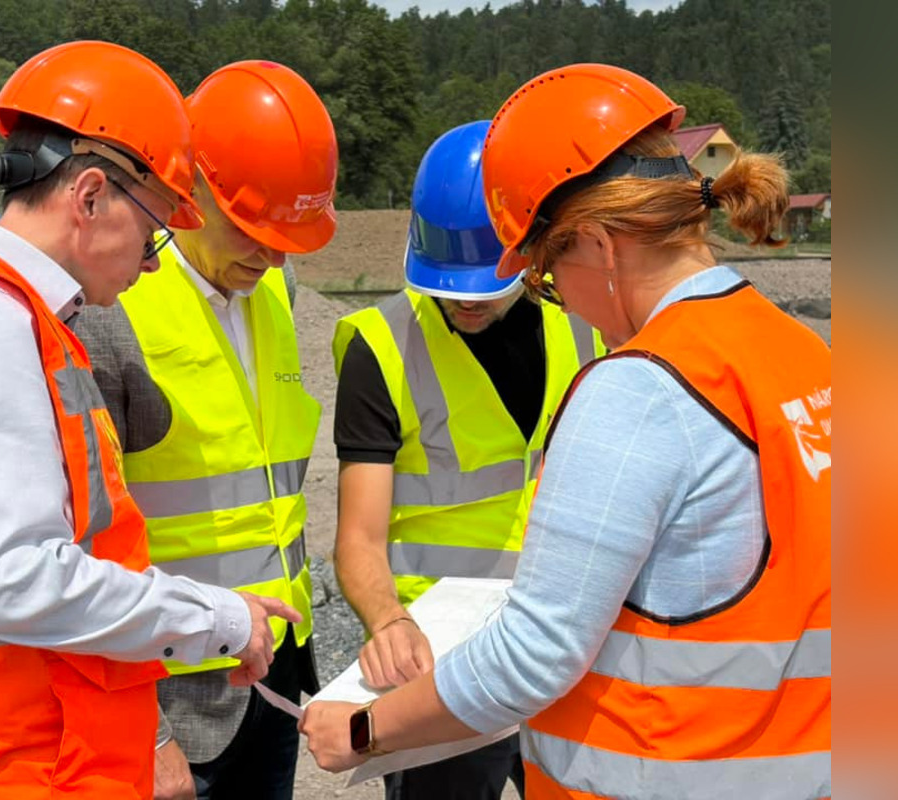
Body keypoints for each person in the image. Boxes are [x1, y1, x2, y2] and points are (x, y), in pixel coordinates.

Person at [300, 62, 831, 800]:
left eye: (546, 273)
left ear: (598, 245)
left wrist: (365, 729)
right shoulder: (810, 357)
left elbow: (535, 654)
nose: (556, 301)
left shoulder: (645, 386)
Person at [0, 41, 300, 799]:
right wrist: (216, 616)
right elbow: (13, 579)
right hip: (26, 766)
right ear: (88, 197)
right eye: (153, 231)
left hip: (30, 749)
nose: (152, 263)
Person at [73, 60, 337, 800]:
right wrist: (144, 733)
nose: (273, 255)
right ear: (188, 190)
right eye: (253, 231)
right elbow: (79, 546)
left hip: (273, 669)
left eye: (286, 237)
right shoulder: (108, 310)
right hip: (174, 696)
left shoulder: (272, 293)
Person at [330, 120, 602, 800]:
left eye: (481, 284)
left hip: (557, 643)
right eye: (447, 283)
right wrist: (388, 622)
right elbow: (358, 537)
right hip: (439, 662)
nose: (463, 302)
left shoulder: (584, 326)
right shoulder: (381, 344)